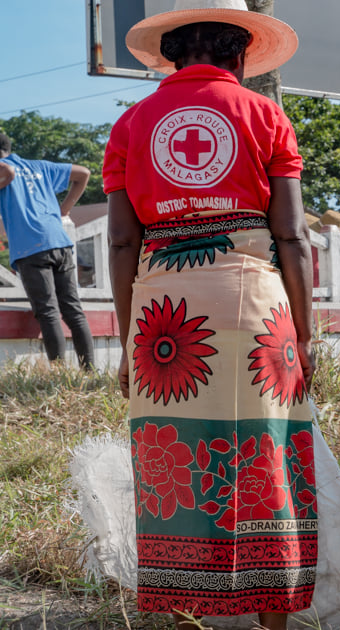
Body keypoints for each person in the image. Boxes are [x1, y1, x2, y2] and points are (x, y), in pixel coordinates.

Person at [102, 2, 315, 628]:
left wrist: (126, 342)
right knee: (266, 455)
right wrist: (305, 335)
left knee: (175, 458)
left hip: (165, 319)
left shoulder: (131, 124)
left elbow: (121, 243)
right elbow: (295, 235)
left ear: (171, 53)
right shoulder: (266, 113)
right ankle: (271, 620)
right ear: (241, 53)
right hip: (256, 305)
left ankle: (184, 614)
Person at [0, 132, 95, 370]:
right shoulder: (39, 166)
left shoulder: (4, 170)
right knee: (73, 311)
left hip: (31, 248)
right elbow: (84, 173)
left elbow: (9, 173)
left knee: (48, 312)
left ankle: (60, 373)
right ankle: (90, 370)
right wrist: (65, 209)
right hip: (59, 242)